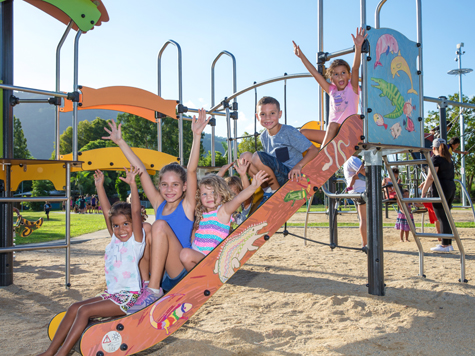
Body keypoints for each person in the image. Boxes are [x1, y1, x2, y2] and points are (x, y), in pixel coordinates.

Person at [103, 108, 208, 310]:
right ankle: (144, 284)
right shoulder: (159, 204)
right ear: (159, 186)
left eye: (175, 185)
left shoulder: (187, 206)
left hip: (177, 272)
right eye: (165, 185)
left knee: (158, 225)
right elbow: (141, 171)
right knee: (145, 228)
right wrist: (120, 142)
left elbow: (192, 170)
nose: (169, 189)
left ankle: (152, 291)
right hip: (158, 274)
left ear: (184, 187)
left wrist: (196, 136)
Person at [37, 167, 145, 356]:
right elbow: (106, 211)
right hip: (111, 294)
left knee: (84, 311)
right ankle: (50, 352)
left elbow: (135, 212)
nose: (121, 230)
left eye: (126, 224)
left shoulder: (135, 242)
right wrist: (99, 186)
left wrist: (134, 185)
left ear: (133, 225)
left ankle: (62, 354)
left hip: (128, 297)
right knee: (74, 308)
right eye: (117, 226)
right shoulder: (115, 240)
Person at [180, 171, 268, 271]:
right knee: (183, 252)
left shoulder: (222, 211)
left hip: (210, 259)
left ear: (221, 194)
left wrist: (253, 187)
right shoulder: (202, 213)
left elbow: (239, 199)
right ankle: (194, 276)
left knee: (185, 254)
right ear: (199, 196)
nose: (209, 196)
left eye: (213, 192)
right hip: (197, 254)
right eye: (204, 194)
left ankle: (199, 276)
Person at [293, 28, 366, 148]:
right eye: (336, 74)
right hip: (333, 136)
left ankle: (322, 156)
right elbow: (316, 74)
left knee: (332, 125)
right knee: (303, 133)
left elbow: (355, 67)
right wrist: (301, 56)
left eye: (343, 73)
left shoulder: (352, 88)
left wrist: (358, 48)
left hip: (349, 133)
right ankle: (315, 155)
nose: (340, 76)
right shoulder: (331, 90)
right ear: (331, 79)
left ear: (349, 75)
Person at [239, 96, 318, 204]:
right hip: (274, 176)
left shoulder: (288, 131)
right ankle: (267, 190)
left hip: (290, 176)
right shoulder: (263, 136)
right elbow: (267, 164)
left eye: (272, 113)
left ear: (279, 114)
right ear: (257, 117)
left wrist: (299, 166)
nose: (268, 118)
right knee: (245, 157)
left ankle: (276, 193)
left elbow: (313, 150)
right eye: (263, 114)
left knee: (257, 157)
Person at [420, 138, 456, 252]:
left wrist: (424, 192)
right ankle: (448, 243)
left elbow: (431, 176)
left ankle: (445, 245)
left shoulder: (435, 159)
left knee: (441, 217)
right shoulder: (449, 159)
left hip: (441, 189)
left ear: (433, 148)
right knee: (446, 216)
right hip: (450, 187)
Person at [343, 156, 367, 249]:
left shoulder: (349, 160)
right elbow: (364, 172)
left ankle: (365, 242)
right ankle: (365, 244)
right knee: (364, 219)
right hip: (360, 192)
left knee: (364, 219)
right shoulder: (353, 159)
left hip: (357, 191)